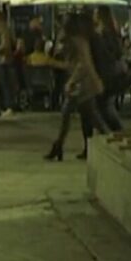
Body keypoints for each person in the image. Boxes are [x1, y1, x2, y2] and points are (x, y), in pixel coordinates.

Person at [45, 13, 108, 161]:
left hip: (82, 85)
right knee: (75, 115)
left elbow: (81, 65)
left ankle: (112, 143)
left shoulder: (76, 41)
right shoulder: (78, 39)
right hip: (82, 84)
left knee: (92, 118)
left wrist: (71, 80)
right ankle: (58, 146)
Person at [90, 6, 124, 132]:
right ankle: (112, 131)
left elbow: (114, 53)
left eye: (95, 13)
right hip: (106, 72)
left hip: (107, 74)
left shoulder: (106, 33)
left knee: (104, 105)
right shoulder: (106, 32)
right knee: (103, 105)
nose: (93, 16)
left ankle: (117, 131)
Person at [0, 10, 17, 115]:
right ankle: (7, 105)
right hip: (7, 59)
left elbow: (5, 45)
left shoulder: (0, 27)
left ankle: (7, 106)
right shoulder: (8, 27)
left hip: (2, 59)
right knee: (6, 83)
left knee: (4, 83)